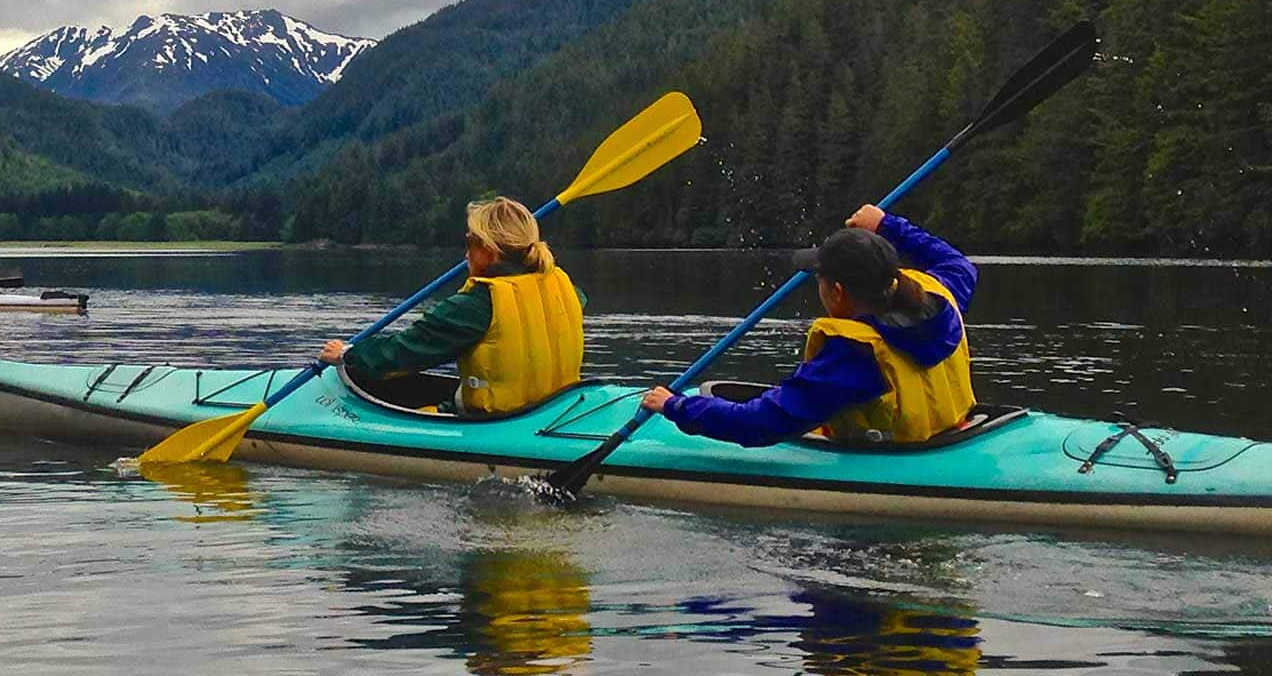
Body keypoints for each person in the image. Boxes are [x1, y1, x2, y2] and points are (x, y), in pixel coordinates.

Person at [641, 204, 977, 447]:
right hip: (952, 437)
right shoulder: (939, 299)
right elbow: (955, 262)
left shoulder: (855, 355)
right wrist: (887, 225)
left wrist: (676, 406)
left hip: (893, 457)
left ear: (837, 292)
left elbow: (761, 423)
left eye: (819, 279)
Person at [316, 197, 586, 415]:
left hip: (492, 420)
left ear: (489, 252)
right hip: (555, 412)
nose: (466, 253)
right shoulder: (567, 290)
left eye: (470, 242)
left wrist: (348, 355)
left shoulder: (475, 306)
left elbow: (404, 351)